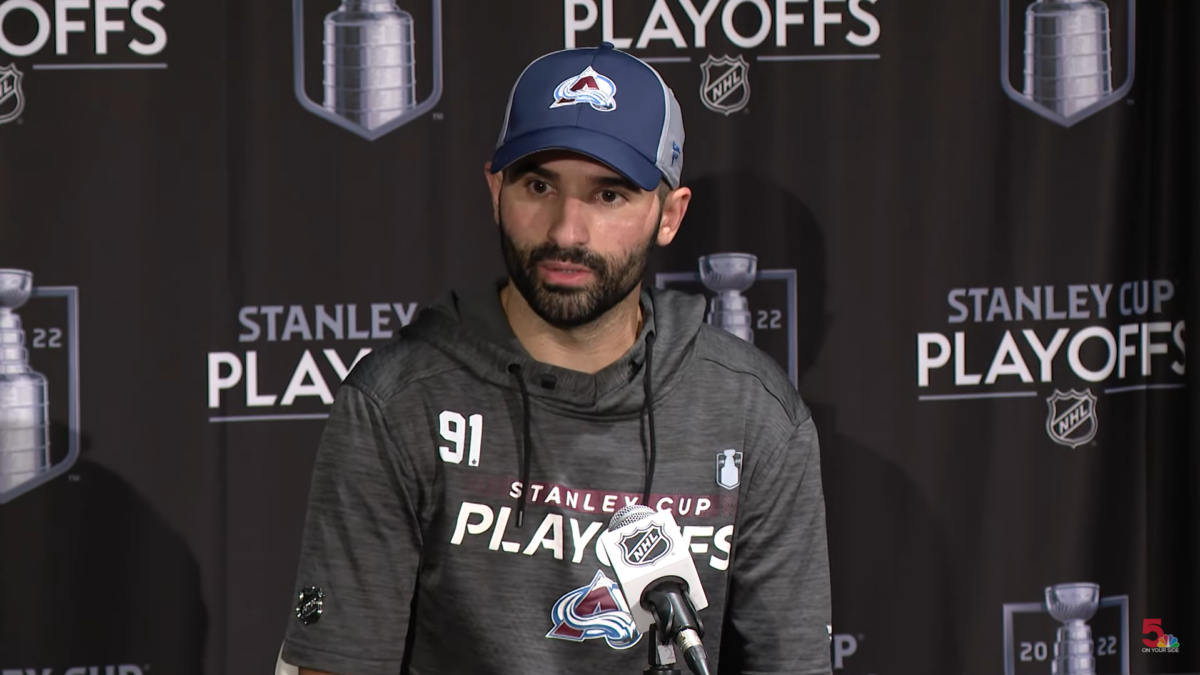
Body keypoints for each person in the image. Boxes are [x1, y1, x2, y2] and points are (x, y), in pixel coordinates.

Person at [277, 42, 832, 675]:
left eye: (609, 195)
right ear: (496, 190)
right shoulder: (399, 403)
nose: (567, 231)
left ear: (669, 215)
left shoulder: (754, 414)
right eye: (539, 186)